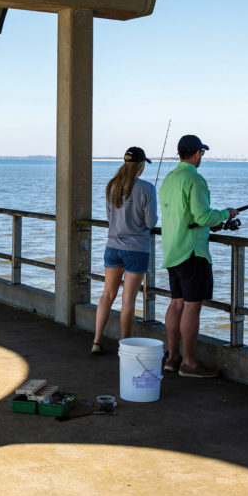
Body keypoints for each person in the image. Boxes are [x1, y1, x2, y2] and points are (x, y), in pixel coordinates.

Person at [159, 134, 238, 378]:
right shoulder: (195, 179)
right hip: (193, 252)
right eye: (201, 153)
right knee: (192, 308)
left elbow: (186, 216)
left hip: (172, 249)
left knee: (176, 304)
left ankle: (172, 359)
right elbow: (202, 216)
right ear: (196, 154)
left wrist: (206, 222)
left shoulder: (169, 179)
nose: (201, 157)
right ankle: (190, 364)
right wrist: (226, 213)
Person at [92, 146, 158, 354]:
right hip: (137, 249)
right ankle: (125, 345)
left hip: (112, 246)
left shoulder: (112, 186)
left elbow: (110, 219)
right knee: (128, 298)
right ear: (140, 165)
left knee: (107, 294)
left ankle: (96, 341)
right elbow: (150, 222)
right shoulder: (147, 188)